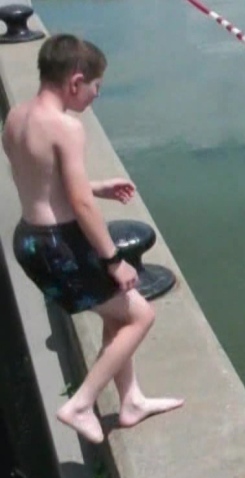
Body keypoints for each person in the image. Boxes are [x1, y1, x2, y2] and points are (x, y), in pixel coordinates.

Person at [3, 34, 183, 444]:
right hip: (59, 245)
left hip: (29, 238)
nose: (94, 97)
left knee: (118, 315)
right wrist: (112, 261)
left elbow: (39, 179)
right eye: (95, 88)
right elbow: (80, 206)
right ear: (75, 81)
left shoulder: (17, 116)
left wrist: (97, 185)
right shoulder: (67, 127)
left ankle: (131, 401)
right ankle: (81, 403)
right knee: (141, 315)